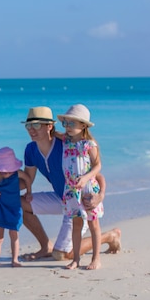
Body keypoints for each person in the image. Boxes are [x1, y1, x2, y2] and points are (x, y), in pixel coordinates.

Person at [0, 107, 120, 261]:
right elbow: (27, 181)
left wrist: (100, 195)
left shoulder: (65, 145)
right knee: (17, 203)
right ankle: (46, 246)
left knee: (62, 255)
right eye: (29, 126)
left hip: (80, 202)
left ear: (49, 126)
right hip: (62, 198)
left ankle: (109, 236)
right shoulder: (31, 149)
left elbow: (97, 175)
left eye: (37, 125)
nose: (31, 130)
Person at [59, 104, 104, 270]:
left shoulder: (88, 144)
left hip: (88, 189)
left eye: (72, 123)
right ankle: (76, 259)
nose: (68, 127)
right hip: (71, 191)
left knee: (93, 224)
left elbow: (98, 166)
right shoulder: (65, 141)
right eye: (66, 123)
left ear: (83, 125)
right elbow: (52, 134)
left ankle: (96, 259)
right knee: (76, 224)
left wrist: (85, 178)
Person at [0, 147, 32, 267]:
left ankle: (15, 260)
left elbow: (28, 179)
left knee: (14, 235)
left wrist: (29, 192)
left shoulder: (17, 174)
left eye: (9, 170)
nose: (6, 173)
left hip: (14, 210)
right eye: (3, 171)